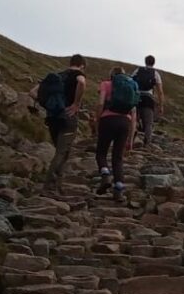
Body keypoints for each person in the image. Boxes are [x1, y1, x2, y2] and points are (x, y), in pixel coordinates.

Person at [42, 55, 87, 189]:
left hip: (52, 117)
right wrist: (76, 104)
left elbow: (33, 92)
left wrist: (49, 106)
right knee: (62, 152)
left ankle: (57, 185)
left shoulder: (57, 76)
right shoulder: (78, 74)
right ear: (82, 65)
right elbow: (82, 82)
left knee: (61, 151)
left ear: (70, 62)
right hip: (68, 116)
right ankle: (49, 185)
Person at [95, 65, 138, 202]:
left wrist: (97, 120)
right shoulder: (131, 87)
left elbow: (100, 103)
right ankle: (118, 190)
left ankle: (105, 174)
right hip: (125, 122)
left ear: (111, 75)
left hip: (108, 120)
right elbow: (134, 115)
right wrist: (130, 139)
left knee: (101, 152)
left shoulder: (106, 84)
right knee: (118, 158)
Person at [134, 55, 164, 147]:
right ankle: (147, 143)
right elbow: (160, 91)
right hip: (149, 98)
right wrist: (161, 105)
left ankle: (131, 139)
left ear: (145, 61)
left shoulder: (137, 70)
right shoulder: (155, 73)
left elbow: (131, 82)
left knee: (135, 119)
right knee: (148, 123)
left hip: (137, 97)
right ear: (154, 63)